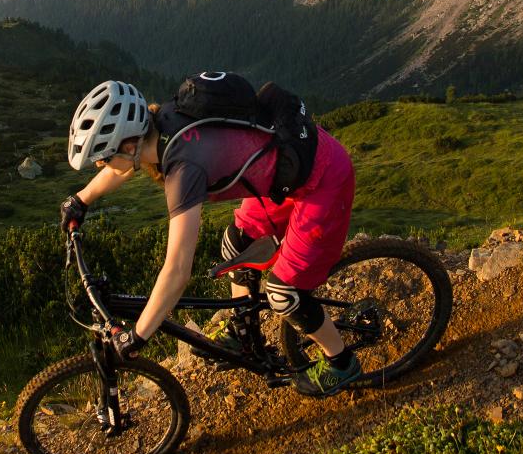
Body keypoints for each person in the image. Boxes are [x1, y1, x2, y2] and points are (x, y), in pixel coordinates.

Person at [59, 78, 363, 396]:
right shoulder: (161, 120)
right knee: (235, 244)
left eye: (104, 158)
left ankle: (341, 363)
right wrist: (81, 200)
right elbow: (121, 165)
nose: (101, 165)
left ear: (131, 146)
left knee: (284, 294)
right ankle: (245, 337)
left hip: (323, 180)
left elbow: (178, 270)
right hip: (282, 175)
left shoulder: (183, 167)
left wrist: (138, 335)